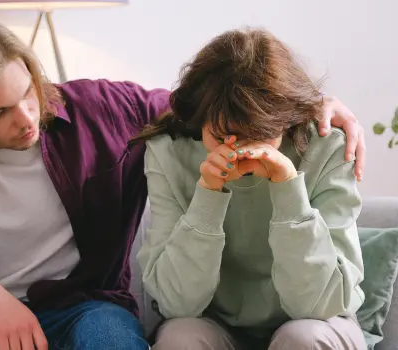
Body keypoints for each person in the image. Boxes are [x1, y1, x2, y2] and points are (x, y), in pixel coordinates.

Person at [0, 8, 367, 350]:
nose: (26, 117)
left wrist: (306, 106)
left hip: (78, 312)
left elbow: (210, 109)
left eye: (28, 91)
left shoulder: (102, 109)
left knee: (113, 341)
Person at [133, 28, 367, 350]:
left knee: (302, 339)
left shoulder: (328, 147)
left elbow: (320, 305)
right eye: (223, 136)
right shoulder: (167, 151)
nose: (240, 150)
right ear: (200, 119)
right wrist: (207, 196)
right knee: (180, 338)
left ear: (284, 121)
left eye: (258, 134)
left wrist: (288, 192)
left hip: (319, 323)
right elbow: (177, 304)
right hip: (215, 324)